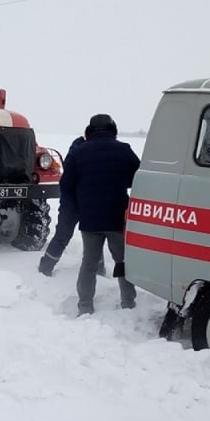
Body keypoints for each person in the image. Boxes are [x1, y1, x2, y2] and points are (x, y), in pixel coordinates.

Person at [60, 114, 140, 315]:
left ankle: (85, 306)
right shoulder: (124, 150)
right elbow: (137, 179)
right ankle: (128, 304)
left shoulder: (78, 153)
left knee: (89, 263)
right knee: (123, 262)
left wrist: (77, 206)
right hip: (116, 218)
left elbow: (66, 184)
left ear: (89, 130)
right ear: (112, 128)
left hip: (89, 219)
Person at [38, 129, 105, 277]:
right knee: (66, 235)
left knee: (92, 238)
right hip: (75, 203)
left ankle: (99, 271)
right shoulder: (80, 151)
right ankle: (45, 268)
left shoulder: (78, 150)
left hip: (81, 202)